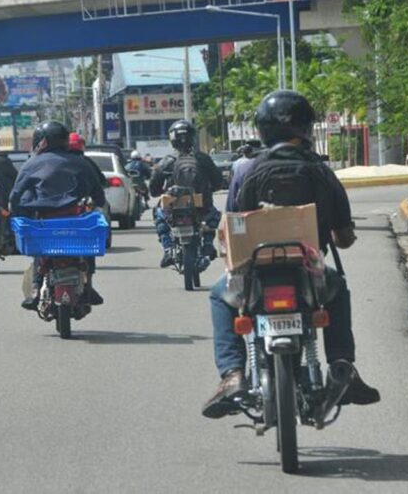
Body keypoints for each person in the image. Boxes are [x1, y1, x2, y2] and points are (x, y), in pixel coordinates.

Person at [202, 90, 381, 419]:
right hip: (309, 276)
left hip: (253, 278)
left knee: (217, 296)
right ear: (306, 126)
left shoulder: (245, 170)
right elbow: (343, 239)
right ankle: (342, 365)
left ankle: (232, 375)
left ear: (262, 129)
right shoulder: (322, 173)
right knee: (338, 290)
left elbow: (230, 229)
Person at [10, 121, 106, 310]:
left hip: (44, 221)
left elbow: (16, 195)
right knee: (86, 247)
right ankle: (88, 286)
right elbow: (98, 192)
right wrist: (98, 202)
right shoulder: (80, 161)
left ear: (42, 142)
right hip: (75, 222)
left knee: (41, 250)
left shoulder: (31, 163)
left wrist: (17, 214)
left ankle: (36, 289)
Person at [149, 120, 223, 268]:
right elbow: (218, 182)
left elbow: (154, 187)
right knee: (214, 215)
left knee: (158, 214)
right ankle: (208, 243)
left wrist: (160, 192)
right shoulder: (203, 158)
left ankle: (168, 248)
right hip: (202, 207)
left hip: (172, 208)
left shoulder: (166, 161)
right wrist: (209, 190)